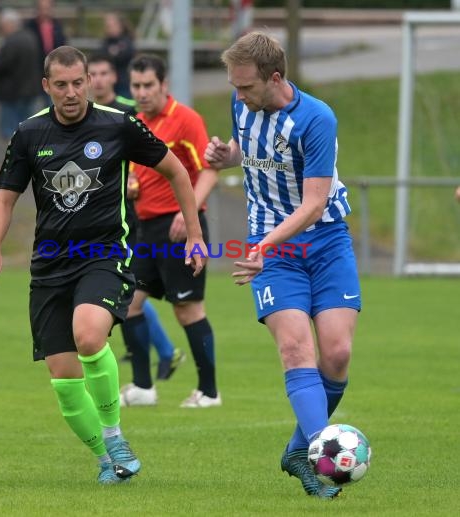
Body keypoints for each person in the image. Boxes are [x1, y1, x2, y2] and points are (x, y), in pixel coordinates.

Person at [0, 45, 207, 484]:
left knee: (88, 335)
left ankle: (115, 434)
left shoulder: (118, 125)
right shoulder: (29, 134)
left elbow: (179, 171)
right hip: (49, 265)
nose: (70, 93)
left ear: (90, 81)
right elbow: (5, 198)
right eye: (60, 85)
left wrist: (195, 235)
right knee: (64, 382)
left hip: (104, 255)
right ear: (46, 86)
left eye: (77, 83)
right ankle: (107, 459)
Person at [204, 32, 360, 498]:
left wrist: (262, 245)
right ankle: (322, 456)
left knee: (337, 355)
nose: (239, 95)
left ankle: (299, 450)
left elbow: (313, 205)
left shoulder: (316, 119)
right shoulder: (242, 105)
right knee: (296, 349)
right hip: (274, 251)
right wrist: (225, 156)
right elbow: (247, 153)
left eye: (247, 87)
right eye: (234, 86)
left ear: (275, 78)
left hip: (326, 240)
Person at [120, 54, 221, 408]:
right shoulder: (134, 122)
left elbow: (209, 170)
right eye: (136, 86)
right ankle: (144, 387)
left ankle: (209, 392)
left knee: (188, 310)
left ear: (164, 85)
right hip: (147, 229)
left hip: (180, 228)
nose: (142, 92)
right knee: (130, 303)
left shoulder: (185, 119)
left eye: (149, 85)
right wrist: (132, 184)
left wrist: (187, 209)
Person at [87, 53, 185, 380]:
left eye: (103, 72)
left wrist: (133, 181)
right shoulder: (86, 115)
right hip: (101, 217)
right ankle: (159, 354)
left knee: (131, 290)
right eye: (93, 74)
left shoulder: (131, 111)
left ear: (114, 76)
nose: (98, 80)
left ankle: (162, 355)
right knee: (130, 292)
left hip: (135, 217)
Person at [0, 8, 41, 141]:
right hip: (30, 90)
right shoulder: (31, 37)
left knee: (11, 133)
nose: (2, 29)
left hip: (12, 94)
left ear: (10, 24)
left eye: (2, 25)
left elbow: (2, 65)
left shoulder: (11, 41)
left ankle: (15, 159)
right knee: (28, 130)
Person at [25, 0, 67, 107]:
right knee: (34, 107)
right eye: (42, 8)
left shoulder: (57, 25)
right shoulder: (30, 26)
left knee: (52, 104)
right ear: (37, 9)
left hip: (53, 71)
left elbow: (62, 46)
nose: (45, 11)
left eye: (47, 8)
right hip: (34, 72)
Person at [99, 12, 135, 101]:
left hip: (123, 83)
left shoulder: (127, 41)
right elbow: (101, 56)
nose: (110, 28)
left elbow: (124, 55)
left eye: (112, 25)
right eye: (108, 26)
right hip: (109, 84)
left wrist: (112, 54)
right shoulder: (106, 42)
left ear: (120, 25)